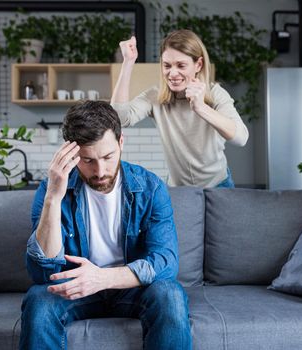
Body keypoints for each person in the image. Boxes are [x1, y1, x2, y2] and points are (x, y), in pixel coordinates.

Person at [19, 100, 192, 350]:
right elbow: (41, 273)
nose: (100, 171)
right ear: (71, 154)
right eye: (87, 160)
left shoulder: (151, 187)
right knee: (39, 300)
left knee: (170, 295)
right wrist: (54, 199)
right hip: (77, 289)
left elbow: (166, 262)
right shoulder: (51, 189)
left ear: (121, 143)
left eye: (108, 157)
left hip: (131, 288)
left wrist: (102, 278)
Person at [111, 29, 249, 188]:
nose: (173, 73)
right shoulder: (155, 96)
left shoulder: (215, 94)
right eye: (167, 65)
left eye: (181, 65)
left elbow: (241, 138)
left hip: (219, 184)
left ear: (198, 65)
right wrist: (128, 63)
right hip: (178, 188)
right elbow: (119, 119)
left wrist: (201, 108)